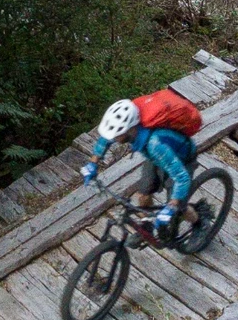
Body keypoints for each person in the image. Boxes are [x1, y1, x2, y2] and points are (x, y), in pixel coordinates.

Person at [80, 99, 199, 239]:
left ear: (130, 129)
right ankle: (146, 226)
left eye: (118, 135)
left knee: (180, 208)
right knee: (143, 194)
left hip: (181, 160)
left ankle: (199, 224)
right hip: (158, 158)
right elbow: (106, 138)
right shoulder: (131, 131)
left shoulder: (154, 144)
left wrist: (171, 206)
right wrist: (93, 163)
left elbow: (182, 177)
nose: (114, 138)